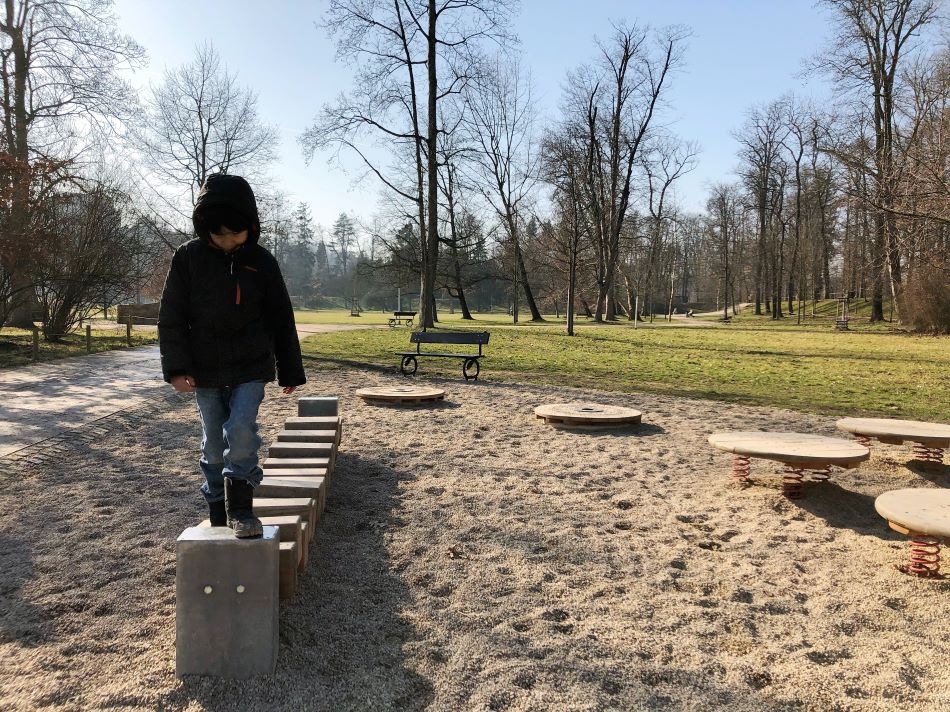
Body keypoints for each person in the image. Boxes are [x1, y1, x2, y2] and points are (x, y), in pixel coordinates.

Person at [158, 174, 306, 538]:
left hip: (251, 366)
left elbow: (281, 316)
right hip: (204, 369)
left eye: (235, 233)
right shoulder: (188, 258)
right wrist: (176, 368)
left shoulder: (263, 262)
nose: (227, 241)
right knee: (212, 444)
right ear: (203, 228)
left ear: (250, 227)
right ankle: (217, 509)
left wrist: (289, 370)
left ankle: (242, 508)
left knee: (240, 431)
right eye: (219, 234)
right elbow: (171, 316)